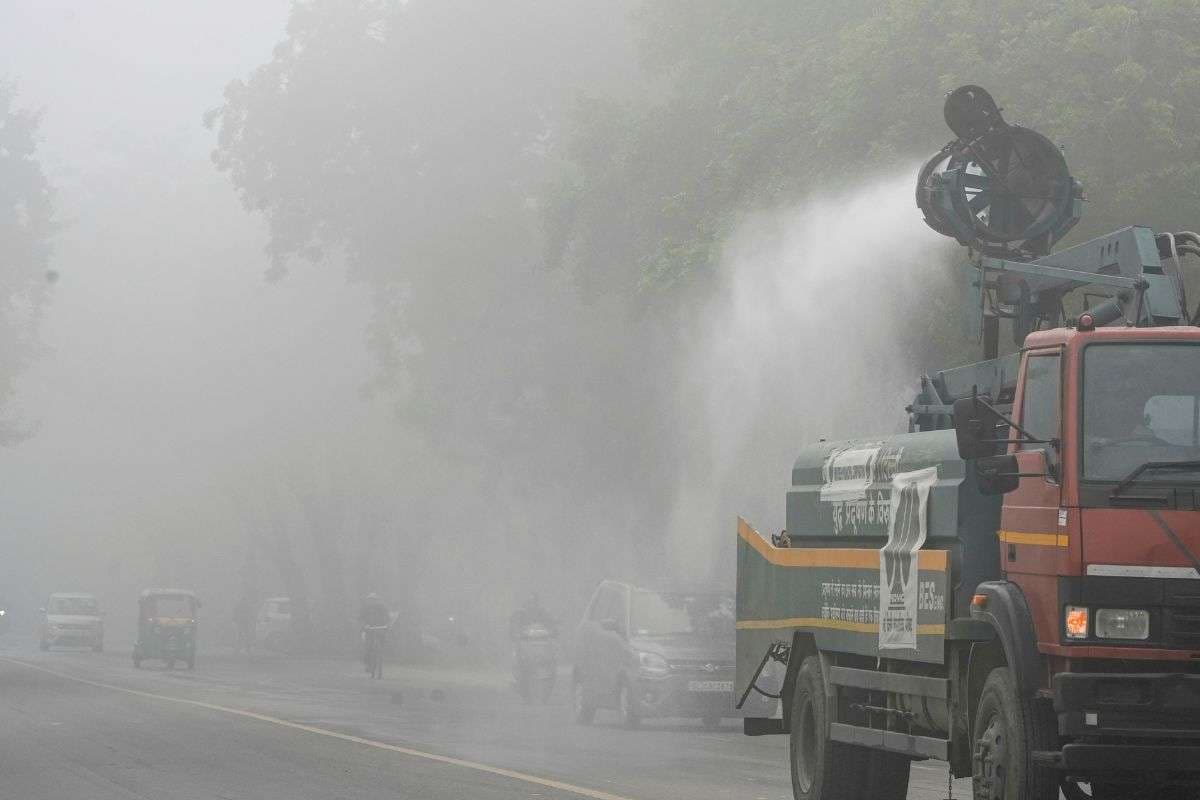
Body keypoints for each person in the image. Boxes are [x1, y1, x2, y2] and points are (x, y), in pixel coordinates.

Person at [359, 593, 390, 672]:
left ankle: (379, 657)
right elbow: (361, 618)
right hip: (369, 629)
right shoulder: (365, 608)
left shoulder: (382, 607)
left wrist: (386, 624)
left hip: (380, 628)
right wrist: (365, 625)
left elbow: (387, 617)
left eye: (374, 600)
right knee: (368, 647)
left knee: (382, 644)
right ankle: (368, 664)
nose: (372, 601)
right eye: (370, 600)